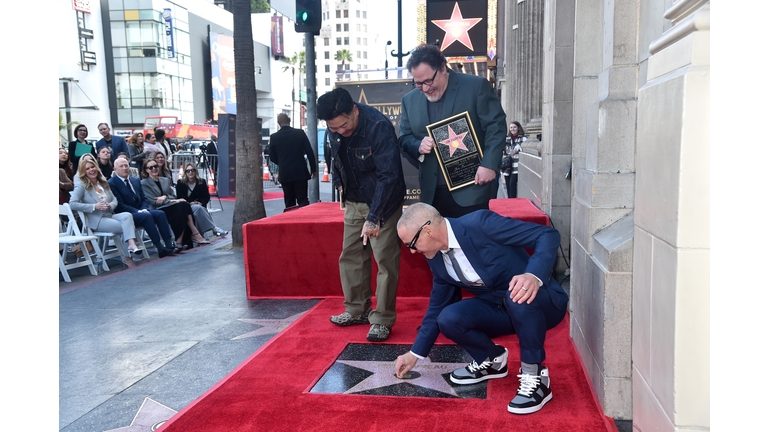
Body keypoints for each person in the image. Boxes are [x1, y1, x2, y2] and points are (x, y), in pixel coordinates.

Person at [393, 203, 568, 415]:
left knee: (516, 296)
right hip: (500, 310)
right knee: (448, 318)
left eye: (411, 243)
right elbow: (437, 306)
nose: (411, 251)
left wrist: (533, 275)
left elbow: (547, 235)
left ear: (428, 231)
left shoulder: (480, 224)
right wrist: (415, 354)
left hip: (541, 303)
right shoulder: (437, 258)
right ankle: (492, 360)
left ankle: (536, 377)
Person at [317, 87, 406, 342]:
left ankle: (382, 318)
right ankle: (357, 309)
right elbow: (335, 157)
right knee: (351, 256)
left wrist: (374, 217)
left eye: (344, 125)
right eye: (334, 129)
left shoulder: (378, 126)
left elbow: (389, 176)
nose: (340, 132)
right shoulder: (334, 129)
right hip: (354, 202)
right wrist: (338, 181)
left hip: (383, 201)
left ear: (354, 110)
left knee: (385, 262)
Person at [399, 44, 507, 218]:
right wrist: (418, 145)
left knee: (472, 242)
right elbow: (404, 138)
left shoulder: (476, 86)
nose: (425, 88)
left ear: (442, 67)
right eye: (418, 83)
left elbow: (496, 126)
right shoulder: (409, 101)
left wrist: (489, 164)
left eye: (428, 81)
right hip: (432, 194)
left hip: (472, 189)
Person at [69, 158, 142, 268]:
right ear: (84, 172)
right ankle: (128, 255)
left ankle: (131, 245)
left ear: (97, 168)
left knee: (127, 216)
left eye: (92, 167)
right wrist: (94, 206)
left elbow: (114, 200)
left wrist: (110, 205)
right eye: (87, 169)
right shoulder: (81, 186)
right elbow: (72, 204)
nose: (91, 170)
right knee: (126, 226)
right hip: (96, 220)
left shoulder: (103, 183)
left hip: (109, 215)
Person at [108, 158, 179, 258]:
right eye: (121, 166)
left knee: (160, 214)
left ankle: (169, 245)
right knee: (147, 216)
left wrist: (143, 208)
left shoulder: (135, 180)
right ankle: (160, 248)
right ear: (115, 169)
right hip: (126, 214)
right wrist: (139, 211)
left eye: (126, 165)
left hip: (141, 210)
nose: (124, 168)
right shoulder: (112, 183)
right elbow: (120, 205)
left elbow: (144, 199)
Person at [140, 159, 210, 249]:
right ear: (146, 170)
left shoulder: (164, 180)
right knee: (182, 206)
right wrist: (171, 201)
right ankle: (194, 234)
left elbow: (173, 195)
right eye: (151, 167)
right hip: (158, 210)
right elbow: (154, 201)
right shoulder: (144, 183)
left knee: (183, 205)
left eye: (155, 166)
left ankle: (180, 242)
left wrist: (165, 197)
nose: (154, 169)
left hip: (170, 207)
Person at [268, 113, 317, 208]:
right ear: (289, 120)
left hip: (285, 173)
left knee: (289, 201)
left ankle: (291, 221)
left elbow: (272, 156)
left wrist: (282, 162)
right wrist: (313, 169)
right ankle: (304, 221)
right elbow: (310, 152)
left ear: (278, 123)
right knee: (303, 200)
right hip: (300, 172)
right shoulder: (300, 133)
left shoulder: (274, 137)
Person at [176, 162, 228, 237]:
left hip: (199, 204)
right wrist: (190, 203)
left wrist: (201, 203)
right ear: (185, 172)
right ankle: (214, 228)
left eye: (192, 170)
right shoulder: (181, 183)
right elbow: (179, 197)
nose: (190, 172)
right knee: (199, 209)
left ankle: (199, 236)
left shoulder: (201, 182)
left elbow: (206, 196)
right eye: (188, 171)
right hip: (186, 205)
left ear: (195, 171)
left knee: (199, 210)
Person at [503, 121, 526, 199]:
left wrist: (515, 150)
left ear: (518, 128)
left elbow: (520, 147)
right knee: (507, 185)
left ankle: (513, 202)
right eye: (511, 127)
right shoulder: (507, 139)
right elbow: (504, 149)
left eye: (514, 127)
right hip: (507, 165)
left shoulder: (523, 138)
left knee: (512, 184)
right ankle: (509, 201)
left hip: (516, 165)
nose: (513, 129)